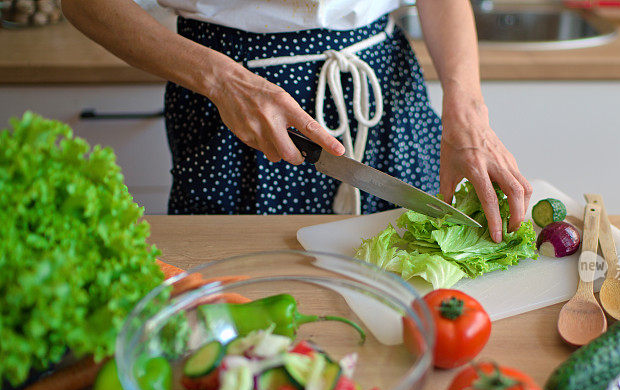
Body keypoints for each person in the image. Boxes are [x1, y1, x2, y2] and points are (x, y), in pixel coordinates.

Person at [61, 0, 532, 243]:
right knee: (241, 283)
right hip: (237, 100)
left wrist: (468, 110)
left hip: (384, 88)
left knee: (407, 267)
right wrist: (223, 81)